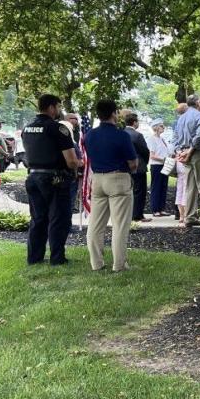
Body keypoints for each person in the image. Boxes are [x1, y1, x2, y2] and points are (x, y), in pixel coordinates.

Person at [21, 94, 81, 266]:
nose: (59, 111)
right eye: (58, 107)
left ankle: (34, 257)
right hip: (55, 179)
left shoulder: (27, 128)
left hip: (33, 177)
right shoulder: (58, 129)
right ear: (52, 107)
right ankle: (57, 258)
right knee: (58, 218)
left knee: (38, 218)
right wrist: (79, 163)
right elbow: (70, 161)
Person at [84, 99, 139, 272]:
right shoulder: (121, 135)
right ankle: (119, 265)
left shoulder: (89, 135)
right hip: (118, 179)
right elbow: (133, 163)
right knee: (120, 225)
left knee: (95, 224)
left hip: (97, 179)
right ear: (114, 113)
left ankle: (96, 263)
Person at [174, 94, 200, 225]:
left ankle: (189, 217)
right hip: (197, 152)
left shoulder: (181, 118)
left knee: (190, 186)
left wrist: (180, 152)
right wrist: (190, 151)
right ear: (197, 103)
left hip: (185, 153)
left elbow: (176, 137)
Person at [121, 110, 151, 222]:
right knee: (139, 191)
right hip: (138, 167)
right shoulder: (137, 135)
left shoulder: (121, 133)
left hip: (124, 167)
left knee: (127, 191)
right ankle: (137, 215)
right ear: (134, 122)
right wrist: (145, 162)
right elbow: (145, 151)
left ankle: (128, 214)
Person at [146, 118, 170, 217]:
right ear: (155, 128)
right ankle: (155, 209)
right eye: (161, 126)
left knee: (164, 187)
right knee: (156, 187)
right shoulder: (151, 139)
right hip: (156, 166)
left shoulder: (162, 139)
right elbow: (152, 155)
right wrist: (163, 159)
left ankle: (161, 208)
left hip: (164, 165)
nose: (163, 127)